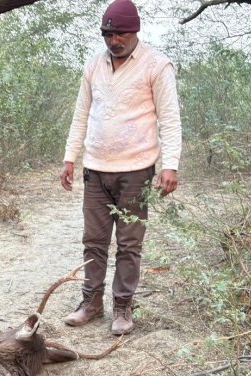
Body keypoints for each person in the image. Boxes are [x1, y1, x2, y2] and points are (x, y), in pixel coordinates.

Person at [59, 0, 182, 335]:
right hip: (96, 169)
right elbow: (81, 115)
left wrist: (169, 165)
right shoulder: (93, 66)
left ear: (135, 31)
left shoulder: (157, 66)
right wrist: (70, 158)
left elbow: (170, 120)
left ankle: (123, 308)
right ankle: (91, 303)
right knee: (94, 241)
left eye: (120, 33)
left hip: (137, 170)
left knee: (129, 244)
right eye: (107, 34)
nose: (114, 40)